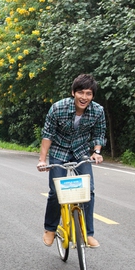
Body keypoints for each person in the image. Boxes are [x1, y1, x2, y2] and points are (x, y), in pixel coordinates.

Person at [37, 74, 106, 248]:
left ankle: (88, 234)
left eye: (88, 94)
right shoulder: (58, 108)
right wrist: (42, 160)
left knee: (88, 192)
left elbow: (99, 133)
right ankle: (50, 229)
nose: (84, 97)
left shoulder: (97, 111)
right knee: (55, 192)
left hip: (81, 151)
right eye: (81, 93)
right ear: (73, 92)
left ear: (92, 96)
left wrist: (96, 152)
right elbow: (48, 135)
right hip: (59, 151)